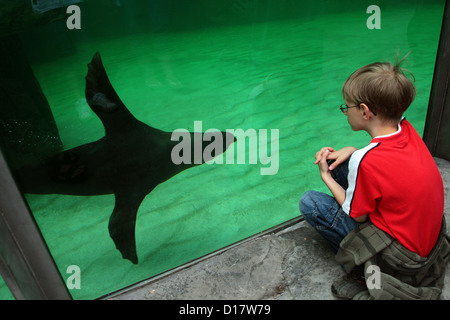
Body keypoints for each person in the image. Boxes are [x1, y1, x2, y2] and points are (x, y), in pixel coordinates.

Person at [299, 59, 448, 299]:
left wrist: (326, 177)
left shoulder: (365, 160)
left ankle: (365, 269)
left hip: (402, 258)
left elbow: (357, 215)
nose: (345, 112)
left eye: (347, 107)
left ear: (365, 111)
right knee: (345, 165)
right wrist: (353, 150)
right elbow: (386, 162)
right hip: (425, 239)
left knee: (310, 203)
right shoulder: (406, 128)